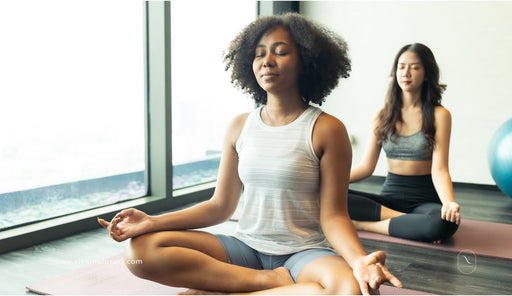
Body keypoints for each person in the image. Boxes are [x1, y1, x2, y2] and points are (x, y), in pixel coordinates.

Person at [98, 13, 401, 295]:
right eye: (259, 53)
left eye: (280, 51)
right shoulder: (239, 126)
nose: (267, 60)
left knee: (350, 288)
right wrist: (152, 222)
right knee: (138, 254)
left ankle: (223, 289)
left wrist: (360, 260)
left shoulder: (327, 129)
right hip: (244, 249)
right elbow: (220, 206)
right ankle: (268, 283)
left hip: (304, 253)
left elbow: (334, 215)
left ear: (305, 61)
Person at [347, 43, 460, 243]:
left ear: (426, 74)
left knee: (446, 222)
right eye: (401, 67)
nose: (406, 73)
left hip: (425, 201)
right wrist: (330, 181)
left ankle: (363, 225)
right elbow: (366, 167)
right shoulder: (382, 116)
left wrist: (448, 203)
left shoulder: (440, 115)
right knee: (329, 196)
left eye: (415, 67)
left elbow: (440, 169)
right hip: (388, 199)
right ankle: (415, 224)